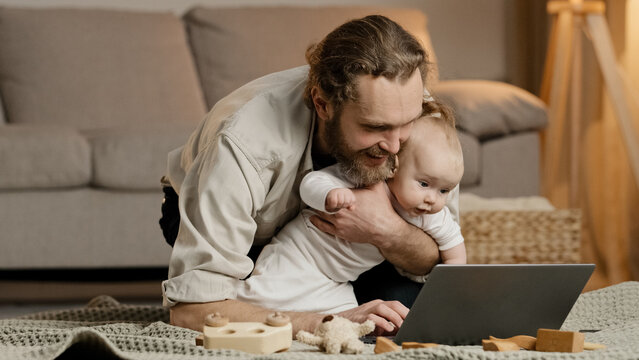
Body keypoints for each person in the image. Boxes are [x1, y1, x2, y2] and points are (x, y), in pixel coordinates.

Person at [159, 15, 460, 336]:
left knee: (406, 313)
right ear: (322, 104)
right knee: (240, 307)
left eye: (406, 123)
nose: (395, 145)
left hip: (343, 248)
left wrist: (385, 229)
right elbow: (192, 311)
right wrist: (326, 322)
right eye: (375, 127)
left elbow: (437, 255)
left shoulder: (421, 120)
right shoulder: (243, 143)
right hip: (249, 230)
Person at [236, 106, 466, 316]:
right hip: (300, 253)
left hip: (337, 281)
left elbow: (454, 248)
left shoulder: (430, 214)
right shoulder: (368, 177)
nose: (431, 199)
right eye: (424, 184)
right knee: (262, 297)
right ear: (394, 166)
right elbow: (311, 183)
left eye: (444, 190)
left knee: (350, 319)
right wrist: (330, 194)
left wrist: (452, 289)